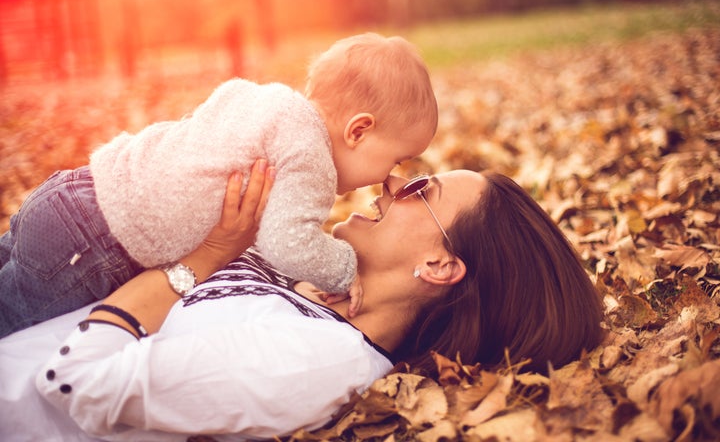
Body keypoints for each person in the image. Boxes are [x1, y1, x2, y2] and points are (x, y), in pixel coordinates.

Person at [0, 166, 604, 441]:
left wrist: (204, 259)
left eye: (422, 189)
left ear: (440, 267)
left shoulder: (321, 361)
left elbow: (78, 382)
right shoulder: (317, 298)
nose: (393, 180)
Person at [0, 32, 438, 338]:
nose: (390, 177)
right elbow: (287, 242)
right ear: (359, 131)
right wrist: (345, 267)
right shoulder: (313, 161)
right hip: (97, 245)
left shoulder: (266, 100)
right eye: (396, 159)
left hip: (75, 190)